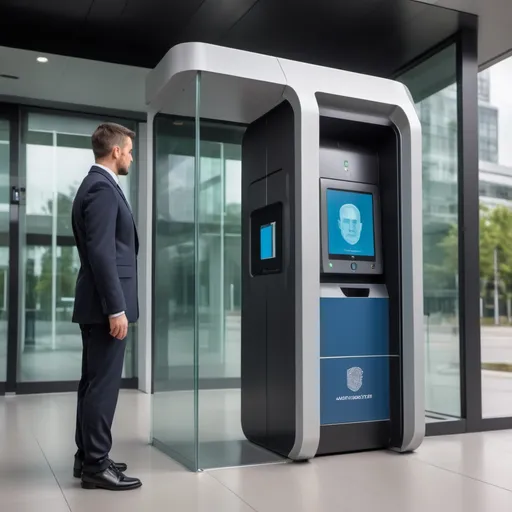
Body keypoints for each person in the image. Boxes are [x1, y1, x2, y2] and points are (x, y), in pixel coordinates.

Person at [71, 122, 141, 491]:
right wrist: (117, 308)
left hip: (98, 305)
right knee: (103, 387)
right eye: (128, 149)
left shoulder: (97, 185)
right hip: (105, 308)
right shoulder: (101, 187)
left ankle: (88, 457)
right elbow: (101, 253)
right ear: (115, 151)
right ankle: (96, 465)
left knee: (92, 384)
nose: (131, 155)